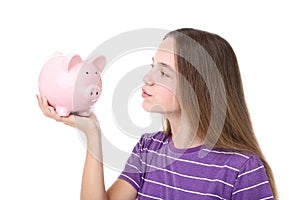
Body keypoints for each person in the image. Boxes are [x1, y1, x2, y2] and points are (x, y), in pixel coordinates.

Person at [37, 28, 278, 200]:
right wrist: (92, 132)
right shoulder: (148, 149)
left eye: (163, 73)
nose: (147, 79)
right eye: (153, 66)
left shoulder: (242, 169)